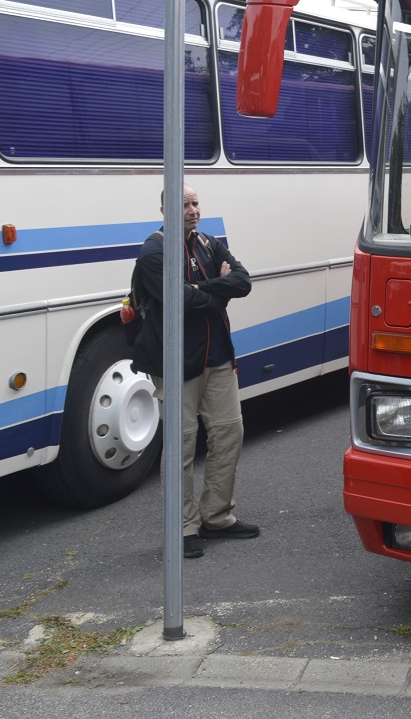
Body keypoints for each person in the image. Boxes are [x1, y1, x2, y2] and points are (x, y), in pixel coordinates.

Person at [131, 184, 258, 560]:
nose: (192, 210)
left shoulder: (207, 242)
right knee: (182, 446)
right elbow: (180, 298)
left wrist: (204, 288)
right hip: (177, 365)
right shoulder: (154, 252)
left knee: (229, 432)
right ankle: (182, 527)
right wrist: (218, 290)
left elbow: (244, 281)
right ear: (164, 209)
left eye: (196, 203)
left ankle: (217, 517)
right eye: (184, 204)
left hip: (218, 358)